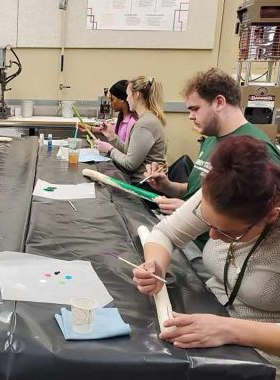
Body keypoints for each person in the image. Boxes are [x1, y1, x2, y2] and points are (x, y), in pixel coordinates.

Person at [133, 136, 280, 373]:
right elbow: (164, 233)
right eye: (206, 222)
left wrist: (230, 329)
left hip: (263, 362)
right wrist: (156, 265)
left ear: (271, 216)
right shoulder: (223, 190)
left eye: (228, 232)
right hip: (212, 320)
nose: (211, 236)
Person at [145, 68, 280, 216]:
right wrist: (167, 186)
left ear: (219, 102)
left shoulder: (256, 147)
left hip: (214, 239)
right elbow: (198, 192)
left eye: (195, 109)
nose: (190, 116)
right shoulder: (211, 139)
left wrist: (194, 213)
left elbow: (264, 215)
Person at [95, 76, 167, 183]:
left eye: (128, 95)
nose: (127, 99)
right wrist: (112, 137)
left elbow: (130, 164)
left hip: (142, 185)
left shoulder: (144, 124)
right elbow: (131, 152)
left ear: (136, 95)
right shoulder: (146, 119)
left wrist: (110, 149)